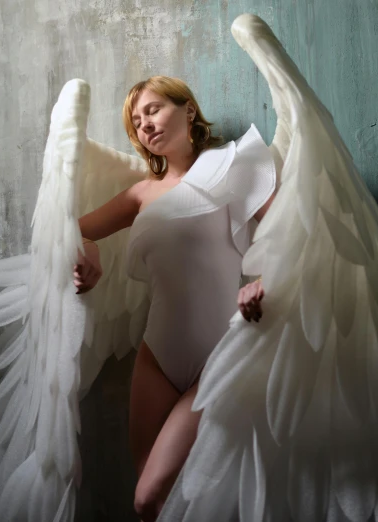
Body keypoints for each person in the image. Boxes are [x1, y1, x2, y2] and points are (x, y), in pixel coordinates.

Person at [72, 76, 276, 522]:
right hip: (156, 358)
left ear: (187, 110)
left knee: (150, 496)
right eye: (136, 121)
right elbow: (72, 229)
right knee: (154, 508)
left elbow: (286, 231)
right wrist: (88, 253)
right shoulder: (141, 193)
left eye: (153, 109)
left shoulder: (233, 163)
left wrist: (263, 279)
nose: (145, 124)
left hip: (221, 355)